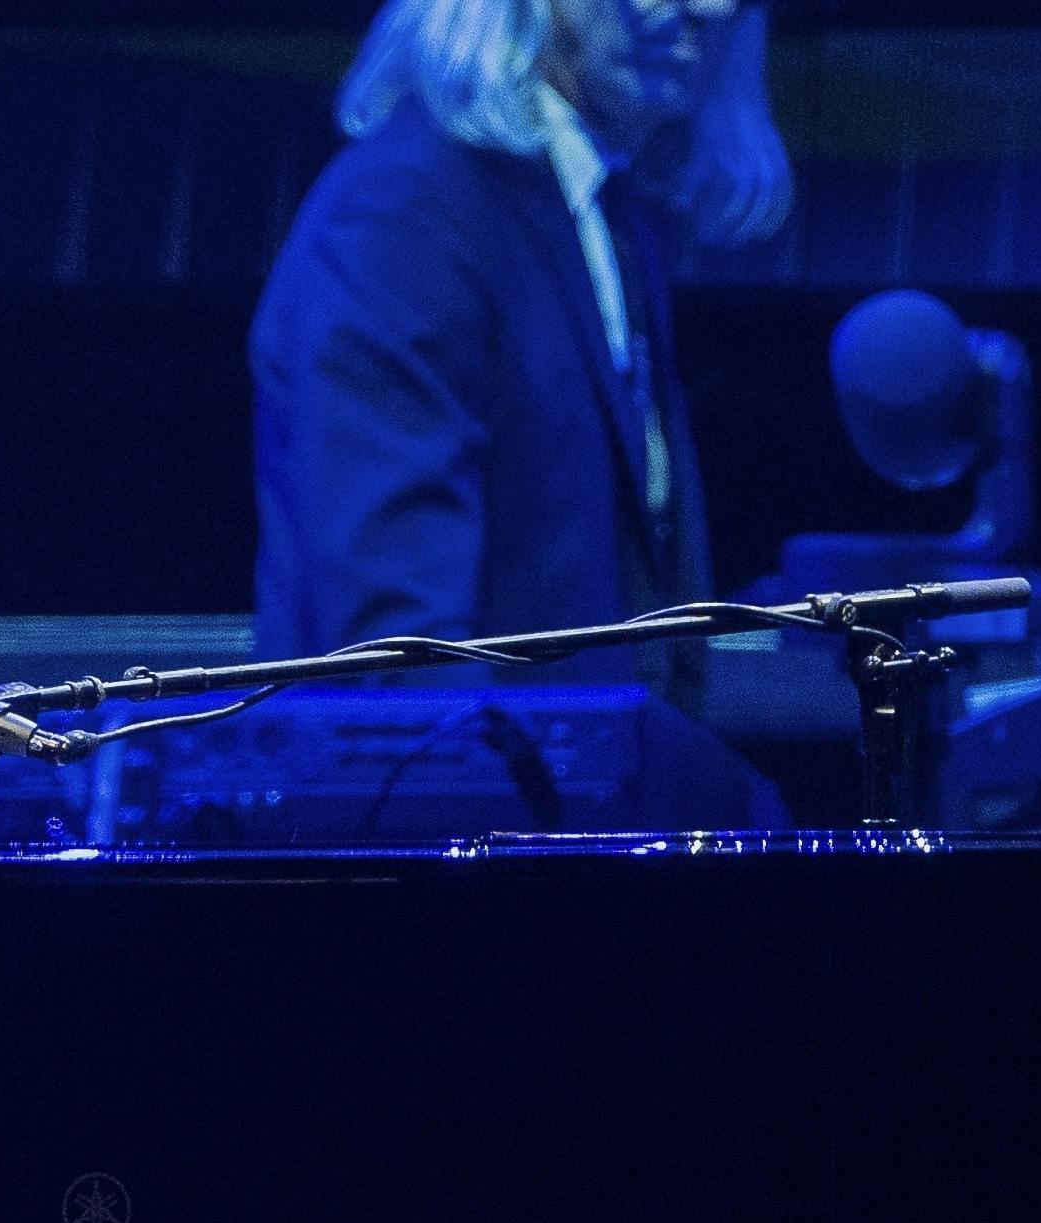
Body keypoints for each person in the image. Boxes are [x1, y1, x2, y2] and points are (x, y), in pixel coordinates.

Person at [251, 0, 791, 713]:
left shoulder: (601, 215)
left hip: (558, 808)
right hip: (448, 815)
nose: (705, 10)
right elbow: (399, 651)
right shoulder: (405, 210)